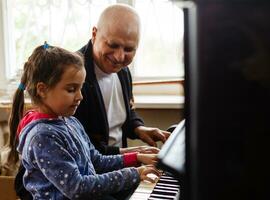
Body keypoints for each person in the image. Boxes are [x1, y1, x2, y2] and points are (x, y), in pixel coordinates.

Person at [10, 43, 160, 199]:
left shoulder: (71, 122)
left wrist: (136, 157)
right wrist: (134, 174)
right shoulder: (42, 137)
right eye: (71, 89)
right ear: (42, 90)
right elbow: (77, 187)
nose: (80, 96)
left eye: (80, 88)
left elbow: (97, 161)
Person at [74, 4, 171, 155]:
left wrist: (139, 128)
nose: (120, 57)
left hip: (118, 168)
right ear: (94, 34)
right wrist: (131, 154)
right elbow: (80, 147)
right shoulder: (72, 75)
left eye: (129, 49)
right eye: (113, 45)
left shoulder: (123, 71)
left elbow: (125, 114)